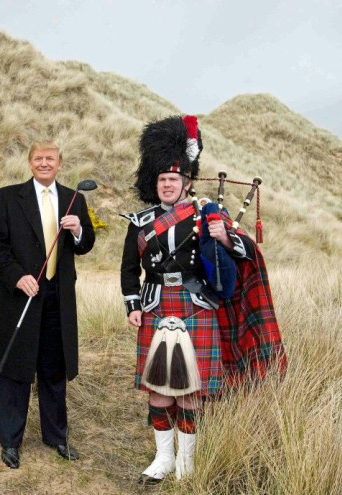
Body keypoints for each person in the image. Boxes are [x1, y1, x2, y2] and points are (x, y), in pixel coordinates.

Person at [120, 115, 286, 483]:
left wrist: (224, 237)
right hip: (155, 306)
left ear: (186, 182)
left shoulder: (206, 213)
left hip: (197, 305)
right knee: (159, 389)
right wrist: (133, 305)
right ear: (155, 182)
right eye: (162, 179)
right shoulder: (141, 221)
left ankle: (187, 462)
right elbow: (129, 269)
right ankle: (163, 459)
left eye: (173, 180)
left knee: (191, 390)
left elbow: (246, 252)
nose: (167, 185)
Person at [0, 141, 95, 469]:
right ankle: (10, 442)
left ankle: (56, 437)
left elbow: (86, 244)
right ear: (30, 162)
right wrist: (17, 276)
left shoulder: (75, 199)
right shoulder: (7, 197)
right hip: (21, 295)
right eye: (38, 158)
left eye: (50, 159)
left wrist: (77, 231)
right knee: (16, 369)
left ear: (60, 163)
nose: (44, 163)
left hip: (57, 298)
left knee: (53, 369)